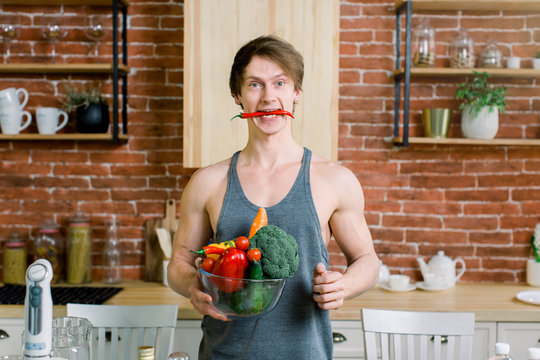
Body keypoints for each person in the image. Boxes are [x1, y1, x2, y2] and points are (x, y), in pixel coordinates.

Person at [167, 35, 379, 359]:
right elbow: (178, 264)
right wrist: (194, 286)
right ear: (238, 96)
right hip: (224, 353)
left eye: (280, 83)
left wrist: (343, 286)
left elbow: (368, 261)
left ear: (296, 93)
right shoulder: (207, 182)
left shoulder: (334, 180)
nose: (269, 97)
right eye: (255, 85)